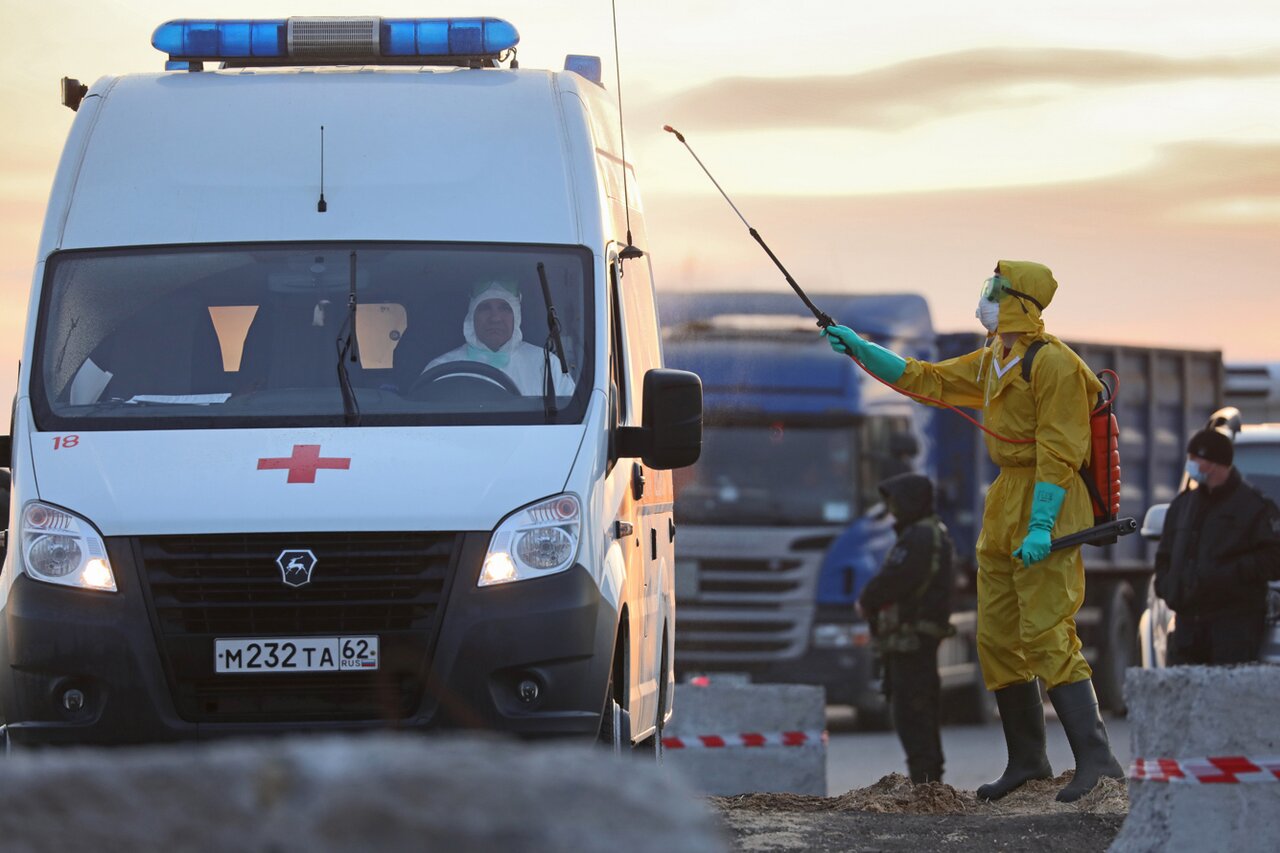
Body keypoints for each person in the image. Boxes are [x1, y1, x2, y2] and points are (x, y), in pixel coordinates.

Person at [823, 260, 1123, 803]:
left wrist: (1040, 526)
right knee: (998, 639)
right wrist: (861, 348)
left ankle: (1098, 763)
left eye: (995, 290)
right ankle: (1028, 761)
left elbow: (1060, 453)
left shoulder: (1055, 365)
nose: (985, 298)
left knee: (1047, 631)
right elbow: (927, 379)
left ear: (1022, 303)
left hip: (1049, 500)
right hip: (1005, 497)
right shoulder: (995, 360)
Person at [859, 472, 955, 785]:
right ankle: (927, 783)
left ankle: (926, 784)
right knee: (916, 710)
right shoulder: (928, 533)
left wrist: (868, 600)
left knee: (913, 712)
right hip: (915, 638)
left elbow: (896, 578)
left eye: (896, 502)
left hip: (911, 639)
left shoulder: (920, 536)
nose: (892, 509)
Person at [1154, 428, 1280, 664]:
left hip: (1233, 629)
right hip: (1186, 629)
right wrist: (1168, 586)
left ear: (1213, 463)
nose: (1189, 465)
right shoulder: (1183, 506)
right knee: (1183, 695)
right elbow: (1165, 555)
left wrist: (1230, 574)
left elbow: (1273, 560)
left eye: (1194, 459)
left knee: (1227, 697)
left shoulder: (1254, 507)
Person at [422, 280, 574, 397]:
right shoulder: (440, 370)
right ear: (471, 316)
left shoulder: (547, 366)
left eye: (504, 308)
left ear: (517, 316)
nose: (495, 318)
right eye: (484, 308)